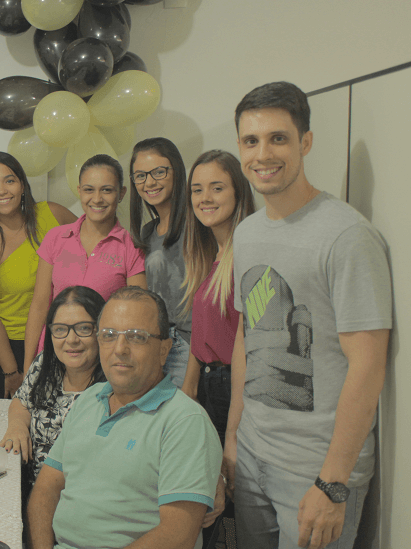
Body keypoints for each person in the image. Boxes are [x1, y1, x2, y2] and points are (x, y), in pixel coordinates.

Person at [225, 82, 392, 549]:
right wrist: (234, 435)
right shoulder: (247, 233)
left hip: (315, 470)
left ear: (306, 142)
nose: (263, 154)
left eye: (278, 138)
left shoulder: (347, 235)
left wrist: (333, 483)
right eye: (251, 141)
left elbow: (368, 365)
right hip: (253, 454)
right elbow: (245, 337)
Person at [27, 286, 223, 549]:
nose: (119, 349)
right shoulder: (89, 399)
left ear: (164, 350)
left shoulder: (185, 421)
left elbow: (178, 535)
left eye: (137, 337)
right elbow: (45, 491)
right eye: (109, 335)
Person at [0, 152, 75, 398]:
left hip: (63, 338)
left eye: (9, 180)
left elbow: (93, 245)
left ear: (23, 185)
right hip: (9, 349)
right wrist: (11, 371)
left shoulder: (53, 215)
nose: (1, 191)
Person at [22, 154, 145, 372]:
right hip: (54, 356)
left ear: (121, 193)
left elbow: (136, 315)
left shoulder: (131, 247)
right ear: (79, 191)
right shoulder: (56, 238)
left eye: (107, 190)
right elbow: (40, 306)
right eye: (89, 190)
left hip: (104, 363)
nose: (97, 199)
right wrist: (28, 367)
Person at [0, 286, 106, 496]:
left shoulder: (111, 389)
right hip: (30, 490)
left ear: (101, 331)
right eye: (60, 329)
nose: (71, 339)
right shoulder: (46, 364)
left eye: (84, 328)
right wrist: (17, 426)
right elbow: (21, 401)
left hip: (77, 500)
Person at [181, 150, 255, 441]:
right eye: (197, 190)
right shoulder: (209, 255)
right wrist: (189, 387)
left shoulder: (247, 254)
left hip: (234, 389)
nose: (205, 198)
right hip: (208, 384)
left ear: (238, 192)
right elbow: (202, 333)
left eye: (217, 188)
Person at [129, 138, 192, 388]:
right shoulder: (147, 232)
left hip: (190, 345)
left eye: (158, 172)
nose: (149, 182)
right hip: (156, 343)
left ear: (176, 171)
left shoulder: (197, 223)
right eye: (140, 176)